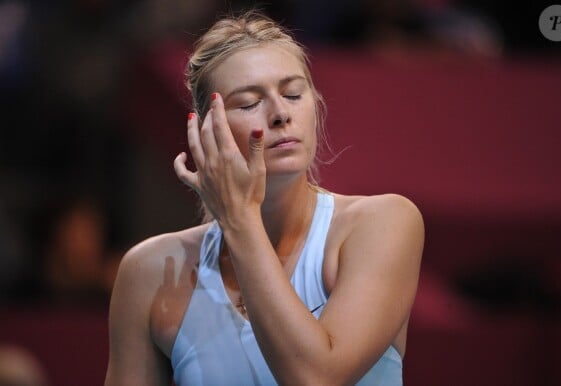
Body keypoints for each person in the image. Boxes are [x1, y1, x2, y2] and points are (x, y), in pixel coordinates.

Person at [105, 11, 423, 386]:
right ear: (207, 130)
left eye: (292, 93)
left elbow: (316, 377)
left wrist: (240, 218)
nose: (280, 114)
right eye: (248, 102)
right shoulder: (150, 270)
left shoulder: (382, 222)